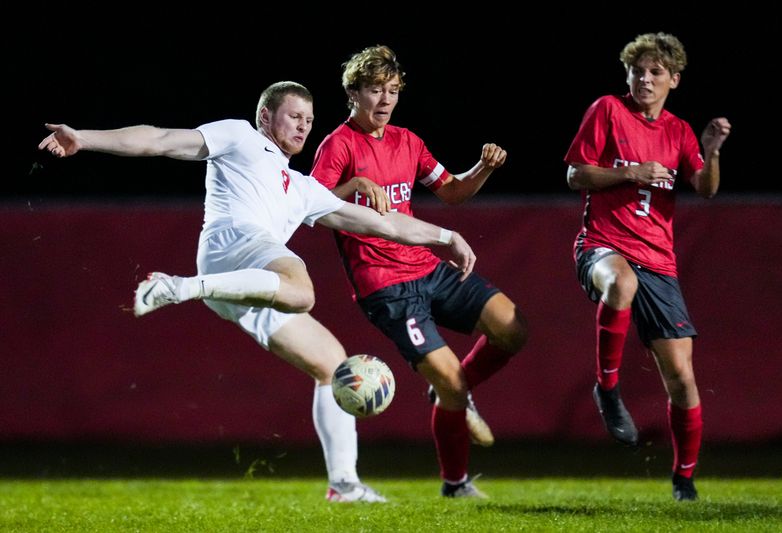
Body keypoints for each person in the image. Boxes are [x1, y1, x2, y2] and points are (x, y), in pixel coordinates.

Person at [38, 81, 478, 503]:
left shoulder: (303, 188)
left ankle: (344, 484)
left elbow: (385, 223)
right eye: (294, 115)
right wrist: (84, 137)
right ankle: (177, 286)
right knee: (301, 290)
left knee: (331, 363)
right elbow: (160, 139)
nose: (304, 125)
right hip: (231, 245)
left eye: (309, 118)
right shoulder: (241, 137)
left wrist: (444, 235)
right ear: (266, 116)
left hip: (241, 285)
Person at [311, 46, 528, 498]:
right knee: (448, 379)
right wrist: (351, 186)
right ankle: (455, 483)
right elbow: (311, 206)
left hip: (428, 268)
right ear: (353, 93)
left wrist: (483, 168)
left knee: (512, 328)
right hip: (385, 287)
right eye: (375, 90)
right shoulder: (338, 144)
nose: (385, 100)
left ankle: (456, 394)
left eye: (392, 91)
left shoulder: (408, 141)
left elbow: (451, 193)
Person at [564, 33, 731, 501]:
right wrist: (631, 173)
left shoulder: (678, 131)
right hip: (602, 243)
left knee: (681, 378)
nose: (645, 78)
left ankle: (684, 479)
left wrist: (711, 152)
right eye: (638, 70)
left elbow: (706, 187)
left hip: (659, 260)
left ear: (674, 80)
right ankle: (608, 389)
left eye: (656, 72)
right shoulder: (607, 110)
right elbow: (575, 174)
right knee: (621, 281)